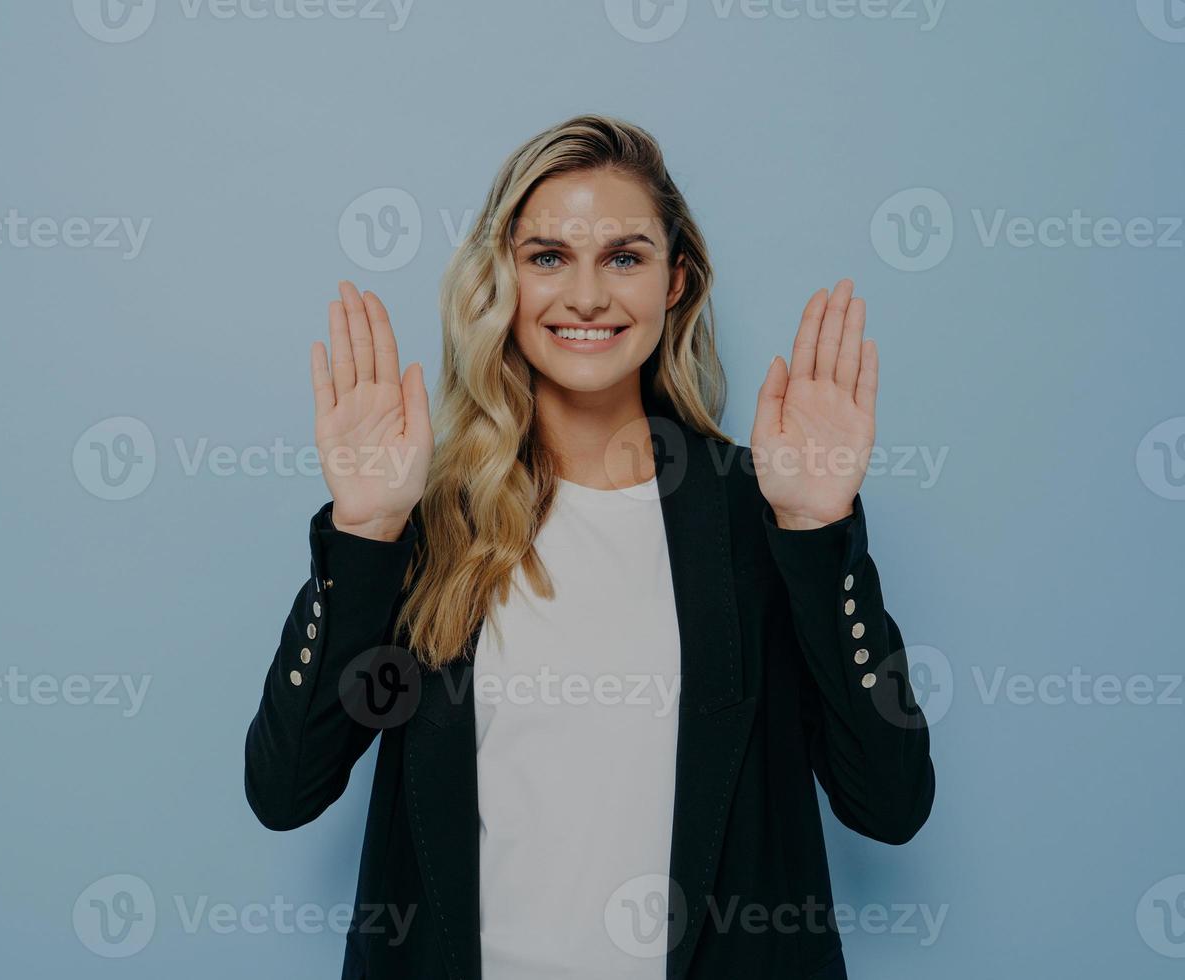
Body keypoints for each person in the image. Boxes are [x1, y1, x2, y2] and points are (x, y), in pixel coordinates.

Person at [244, 113, 935, 980]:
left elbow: (890, 803)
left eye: (623, 256)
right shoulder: (429, 516)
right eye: (546, 257)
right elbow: (284, 789)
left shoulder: (755, 513)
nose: (585, 297)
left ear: (675, 281)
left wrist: (816, 530)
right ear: (502, 279)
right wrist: (366, 531)